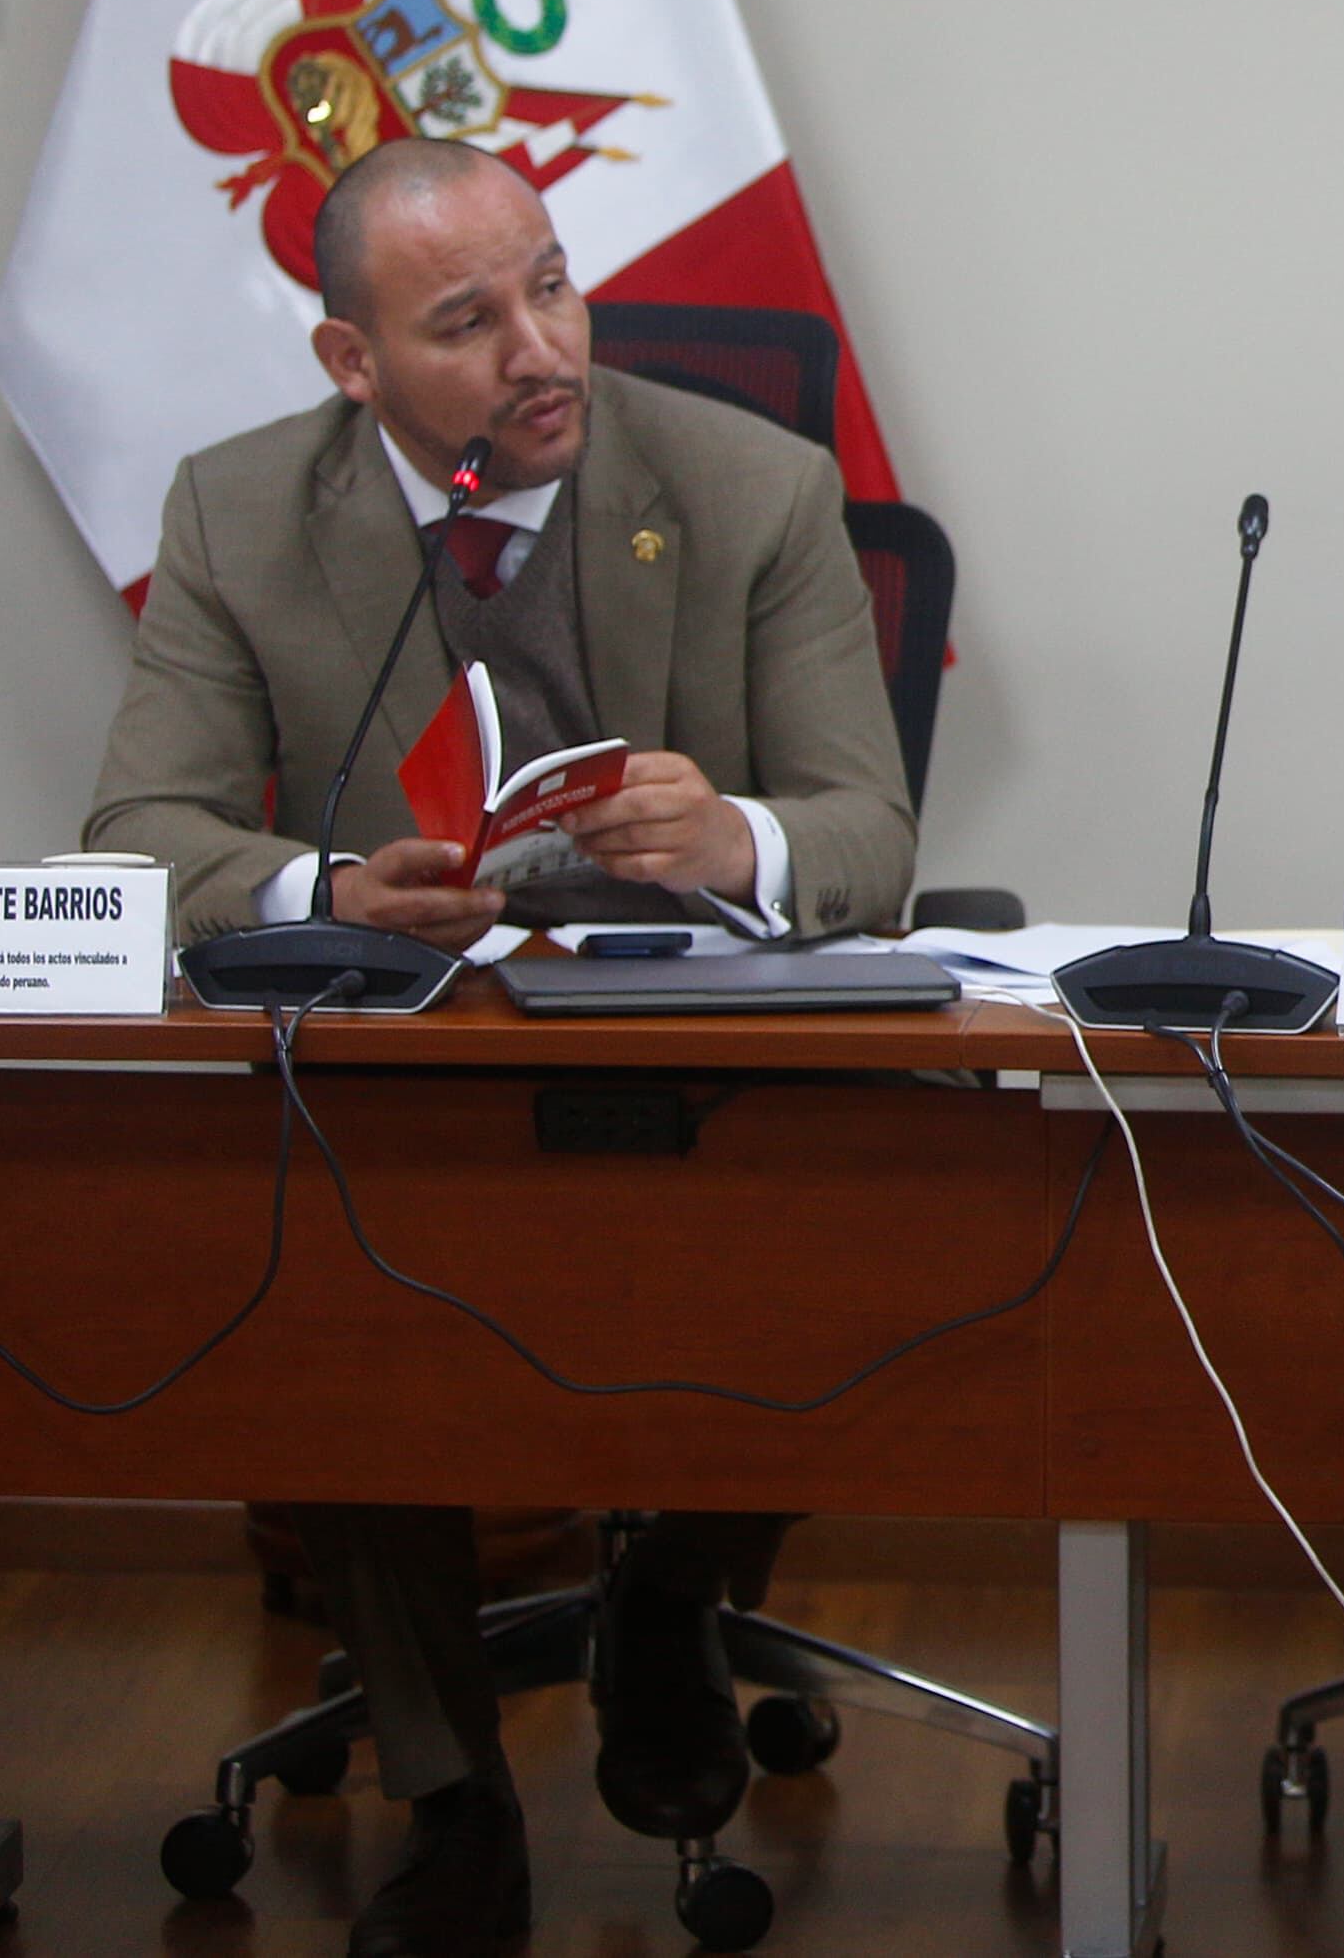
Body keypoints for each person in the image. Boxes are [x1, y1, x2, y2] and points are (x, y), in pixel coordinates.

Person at [82, 137, 917, 1958]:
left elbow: (873, 832)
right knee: (320, 1271)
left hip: (703, 1066)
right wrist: (320, 883)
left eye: (552, 282)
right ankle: (453, 1791)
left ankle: (674, 1589)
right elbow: (138, 828)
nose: (542, 348)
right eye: (467, 321)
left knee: (875, 1191)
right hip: (408, 1078)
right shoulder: (240, 511)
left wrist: (737, 841)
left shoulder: (748, 482)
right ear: (350, 364)